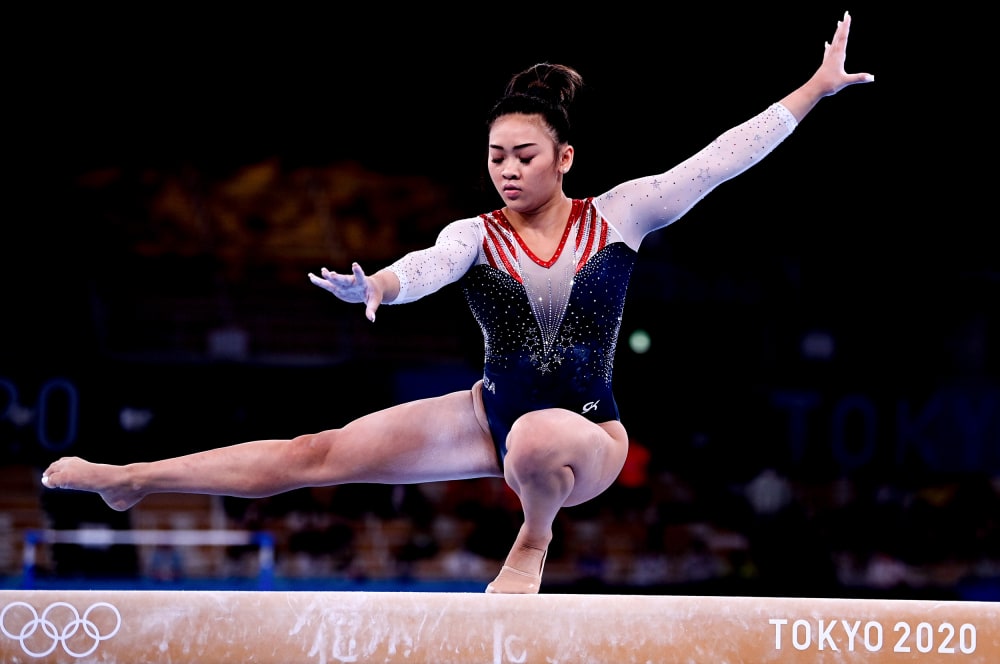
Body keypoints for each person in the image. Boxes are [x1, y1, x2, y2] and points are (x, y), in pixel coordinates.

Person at [41, 12, 873, 594]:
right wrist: (378, 287)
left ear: (564, 158)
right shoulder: (475, 233)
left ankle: (533, 539)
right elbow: (427, 265)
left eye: (523, 155)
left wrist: (812, 90)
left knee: (544, 436)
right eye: (494, 156)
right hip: (488, 418)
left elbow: (720, 160)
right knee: (314, 452)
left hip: (590, 437)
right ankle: (133, 480)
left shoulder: (622, 214)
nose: (506, 170)